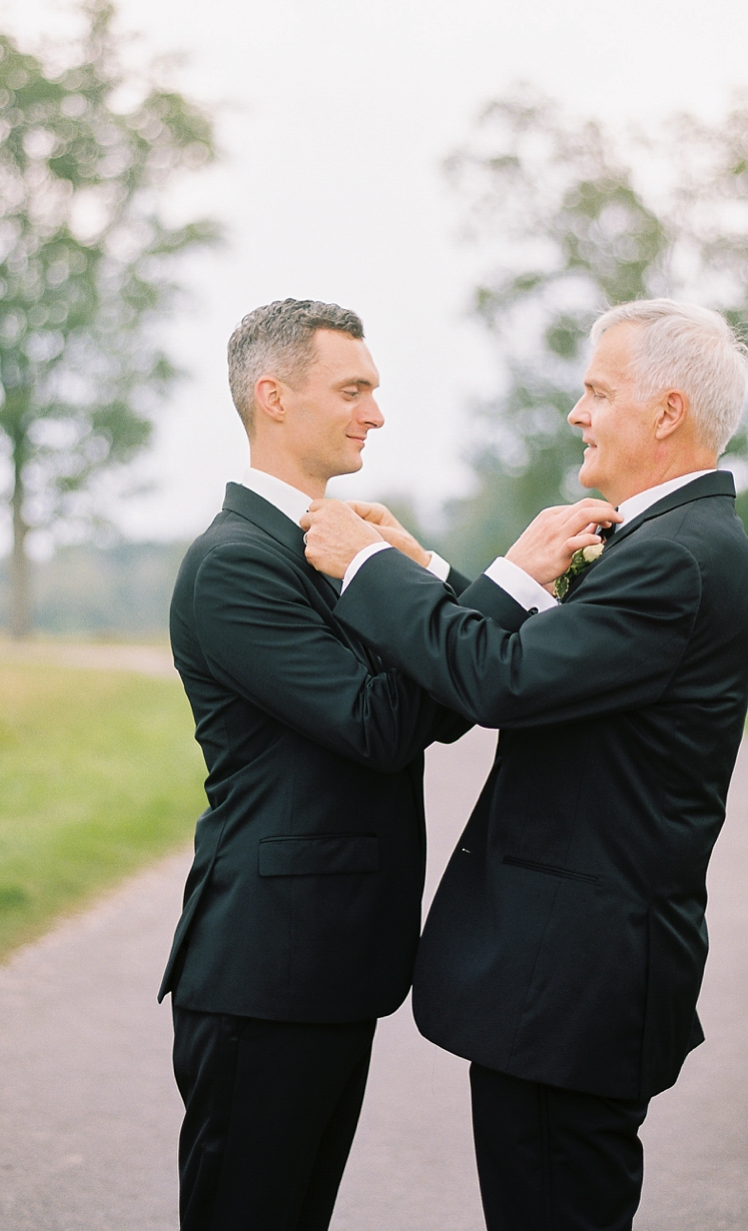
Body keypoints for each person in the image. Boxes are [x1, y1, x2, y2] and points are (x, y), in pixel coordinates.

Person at [302, 298, 748, 1231]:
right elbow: (563, 672)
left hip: (573, 983)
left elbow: (505, 682)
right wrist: (428, 570)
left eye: (597, 390)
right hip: (573, 977)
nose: (577, 413)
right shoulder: (676, 543)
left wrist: (363, 569)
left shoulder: (676, 557)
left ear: (667, 411)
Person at [159, 299, 482, 1231]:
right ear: (273, 398)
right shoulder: (236, 566)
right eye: (353, 389)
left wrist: (407, 570)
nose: (374, 413)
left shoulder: (337, 549)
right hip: (265, 973)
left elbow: (455, 705)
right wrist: (494, 590)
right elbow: (384, 723)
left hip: (333, 966)